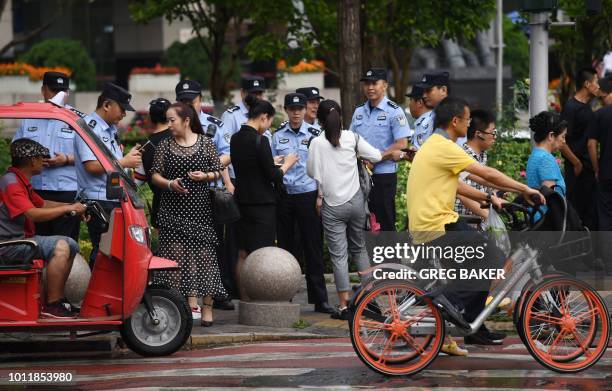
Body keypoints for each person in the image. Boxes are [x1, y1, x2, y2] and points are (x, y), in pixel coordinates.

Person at [406, 97, 545, 352]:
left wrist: (488, 198)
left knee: (481, 261)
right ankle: (444, 302)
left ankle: (470, 321)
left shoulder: (434, 145)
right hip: (436, 223)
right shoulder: (445, 147)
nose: (469, 124)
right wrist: (524, 188)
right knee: (492, 257)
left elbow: (455, 185)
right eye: (467, 119)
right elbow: (486, 174)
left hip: (430, 222)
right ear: (455, 121)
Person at [308, 100, 394, 319]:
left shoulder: (317, 143)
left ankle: (345, 306)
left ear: (320, 119)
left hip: (332, 205)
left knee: (339, 256)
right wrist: (357, 155)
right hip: (356, 203)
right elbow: (375, 155)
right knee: (359, 250)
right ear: (341, 117)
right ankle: (370, 299)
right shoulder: (352, 138)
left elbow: (312, 173)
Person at [150, 102, 226, 326]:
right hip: (172, 211)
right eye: (167, 120)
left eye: (172, 120)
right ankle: (178, 308)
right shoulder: (164, 145)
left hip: (201, 210)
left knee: (206, 259)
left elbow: (218, 171)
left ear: (186, 121)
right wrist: (170, 184)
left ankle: (208, 308)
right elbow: (155, 175)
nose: (169, 124)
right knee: (174, 261)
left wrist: (205, 176)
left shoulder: (205, 142)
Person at [0, 139, 86, 318]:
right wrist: (68, 208)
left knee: (70, 245)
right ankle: (52, 305)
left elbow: (43, 204)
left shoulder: (20, 180)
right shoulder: (11, 183)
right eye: (40, 158)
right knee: (61, 246)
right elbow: (32, 213)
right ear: (32, 161)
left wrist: (74, 207)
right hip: (8, 245)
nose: (43, 162)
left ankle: (57, 299)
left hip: (18, 240)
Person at [230, 95, 298, 299]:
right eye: (269, 122)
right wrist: (288, 163)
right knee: (262, 253)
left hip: (241, 200)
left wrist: (270, 160)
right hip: (262, 204)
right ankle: (260, 296)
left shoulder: (235, 138)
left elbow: (250, 166)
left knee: (243, 252)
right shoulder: (261, 140)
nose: (268, 127)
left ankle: (244, 297)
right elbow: (274, 175)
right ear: (264, 117)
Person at [175, 80, 235, 310]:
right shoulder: (175, 125)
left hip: (210, 191)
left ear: (200, 99)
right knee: (186, 244)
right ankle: (187, 296)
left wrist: (208, 168)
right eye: (183, 100)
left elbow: (228, 153)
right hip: (183, 193)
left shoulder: (214, 124)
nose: (188, 103)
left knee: (214, 243)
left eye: (192, 99)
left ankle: (216, 294)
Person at [271, 93, 332, 314]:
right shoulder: (276, 137)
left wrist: (320, 196)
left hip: (308, 195)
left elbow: (322, 168)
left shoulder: (316, 135)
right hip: (285, 195)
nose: (296, 113)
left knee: (313, 247)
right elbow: (271, 166)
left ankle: (319, 299)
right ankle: (286, 296)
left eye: (300, 108)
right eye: (292, 109)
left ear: (306, 110)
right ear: (286, 110)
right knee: (287, 248)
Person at [74, 83, 142, 269]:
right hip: (98, 200)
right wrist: (124, 162)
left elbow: (111, 164)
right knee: (102, 250)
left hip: (111, 197)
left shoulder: (109, 129)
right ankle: (96, 294)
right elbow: (91, 166)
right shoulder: (89, 128)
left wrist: (126, 161)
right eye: (121, 109)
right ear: (106, 105)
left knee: (112, 251)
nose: (124, 114)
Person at [12, 72, 80, 240]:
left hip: (66, 191)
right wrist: (31, 158)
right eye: (54, 91)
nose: (58, 96)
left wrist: (66, 159)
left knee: (66, 244)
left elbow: (91, 156)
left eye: (62, 91)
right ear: (43, 90)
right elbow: (15, 149)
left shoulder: (76, 119)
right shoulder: (30, 116)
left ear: (68, 93)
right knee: (36, 244)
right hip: (35, 191)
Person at [349, 68, 410, 231]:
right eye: (367, 83)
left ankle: (389, 257)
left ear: (384, 85)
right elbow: (351, 141)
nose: (370, 87)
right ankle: (367, 257)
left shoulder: (394, 111)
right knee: (362, 223)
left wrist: (375, 159)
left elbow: (402, 143)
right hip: (360, 175)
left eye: (374, 83)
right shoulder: (359, 111)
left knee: (384, 222)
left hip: (383, 176)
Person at [560, 67, 600, 230]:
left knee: (591, 213)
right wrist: (576, 162)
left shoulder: (588, 106)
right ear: (586, 83)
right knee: (577, 213)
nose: (598, 86)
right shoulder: (571, 108)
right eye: (596, 82)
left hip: (588, 169)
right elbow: (561, 141)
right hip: (577, 169)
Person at [134, 98, 171, 228]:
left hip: (161, 207)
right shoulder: (181, 138)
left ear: (150, 117)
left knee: (167, 247)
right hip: (189, 205)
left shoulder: (145, 148)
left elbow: (136, 182)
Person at [588, 76, 612, 274]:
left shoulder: (600, 115)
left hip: (606, 173)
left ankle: (607, 263)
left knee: (605, 216)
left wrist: (596, 168)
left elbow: (591, 144)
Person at [454, 109, 498, 220]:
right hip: (464, 221)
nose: (495, 137)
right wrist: (491, 218)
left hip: (478, 221)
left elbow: (481, 185)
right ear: (478, 134)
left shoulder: (482, 155)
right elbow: (462, 194)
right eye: (493, 132)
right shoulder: (462, 156)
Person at [527, 112, 568, 200]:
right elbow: (551, 198)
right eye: (563, 136)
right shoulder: (546, 159)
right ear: (551, 136)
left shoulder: (535, 154)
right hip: (547, 213)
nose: (564, 141)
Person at [413, 71, 450, 148]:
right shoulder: (427, 119)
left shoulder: (456, 115)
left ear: (443, 90)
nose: (424, 95)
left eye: (428, 90)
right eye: (424, 91)